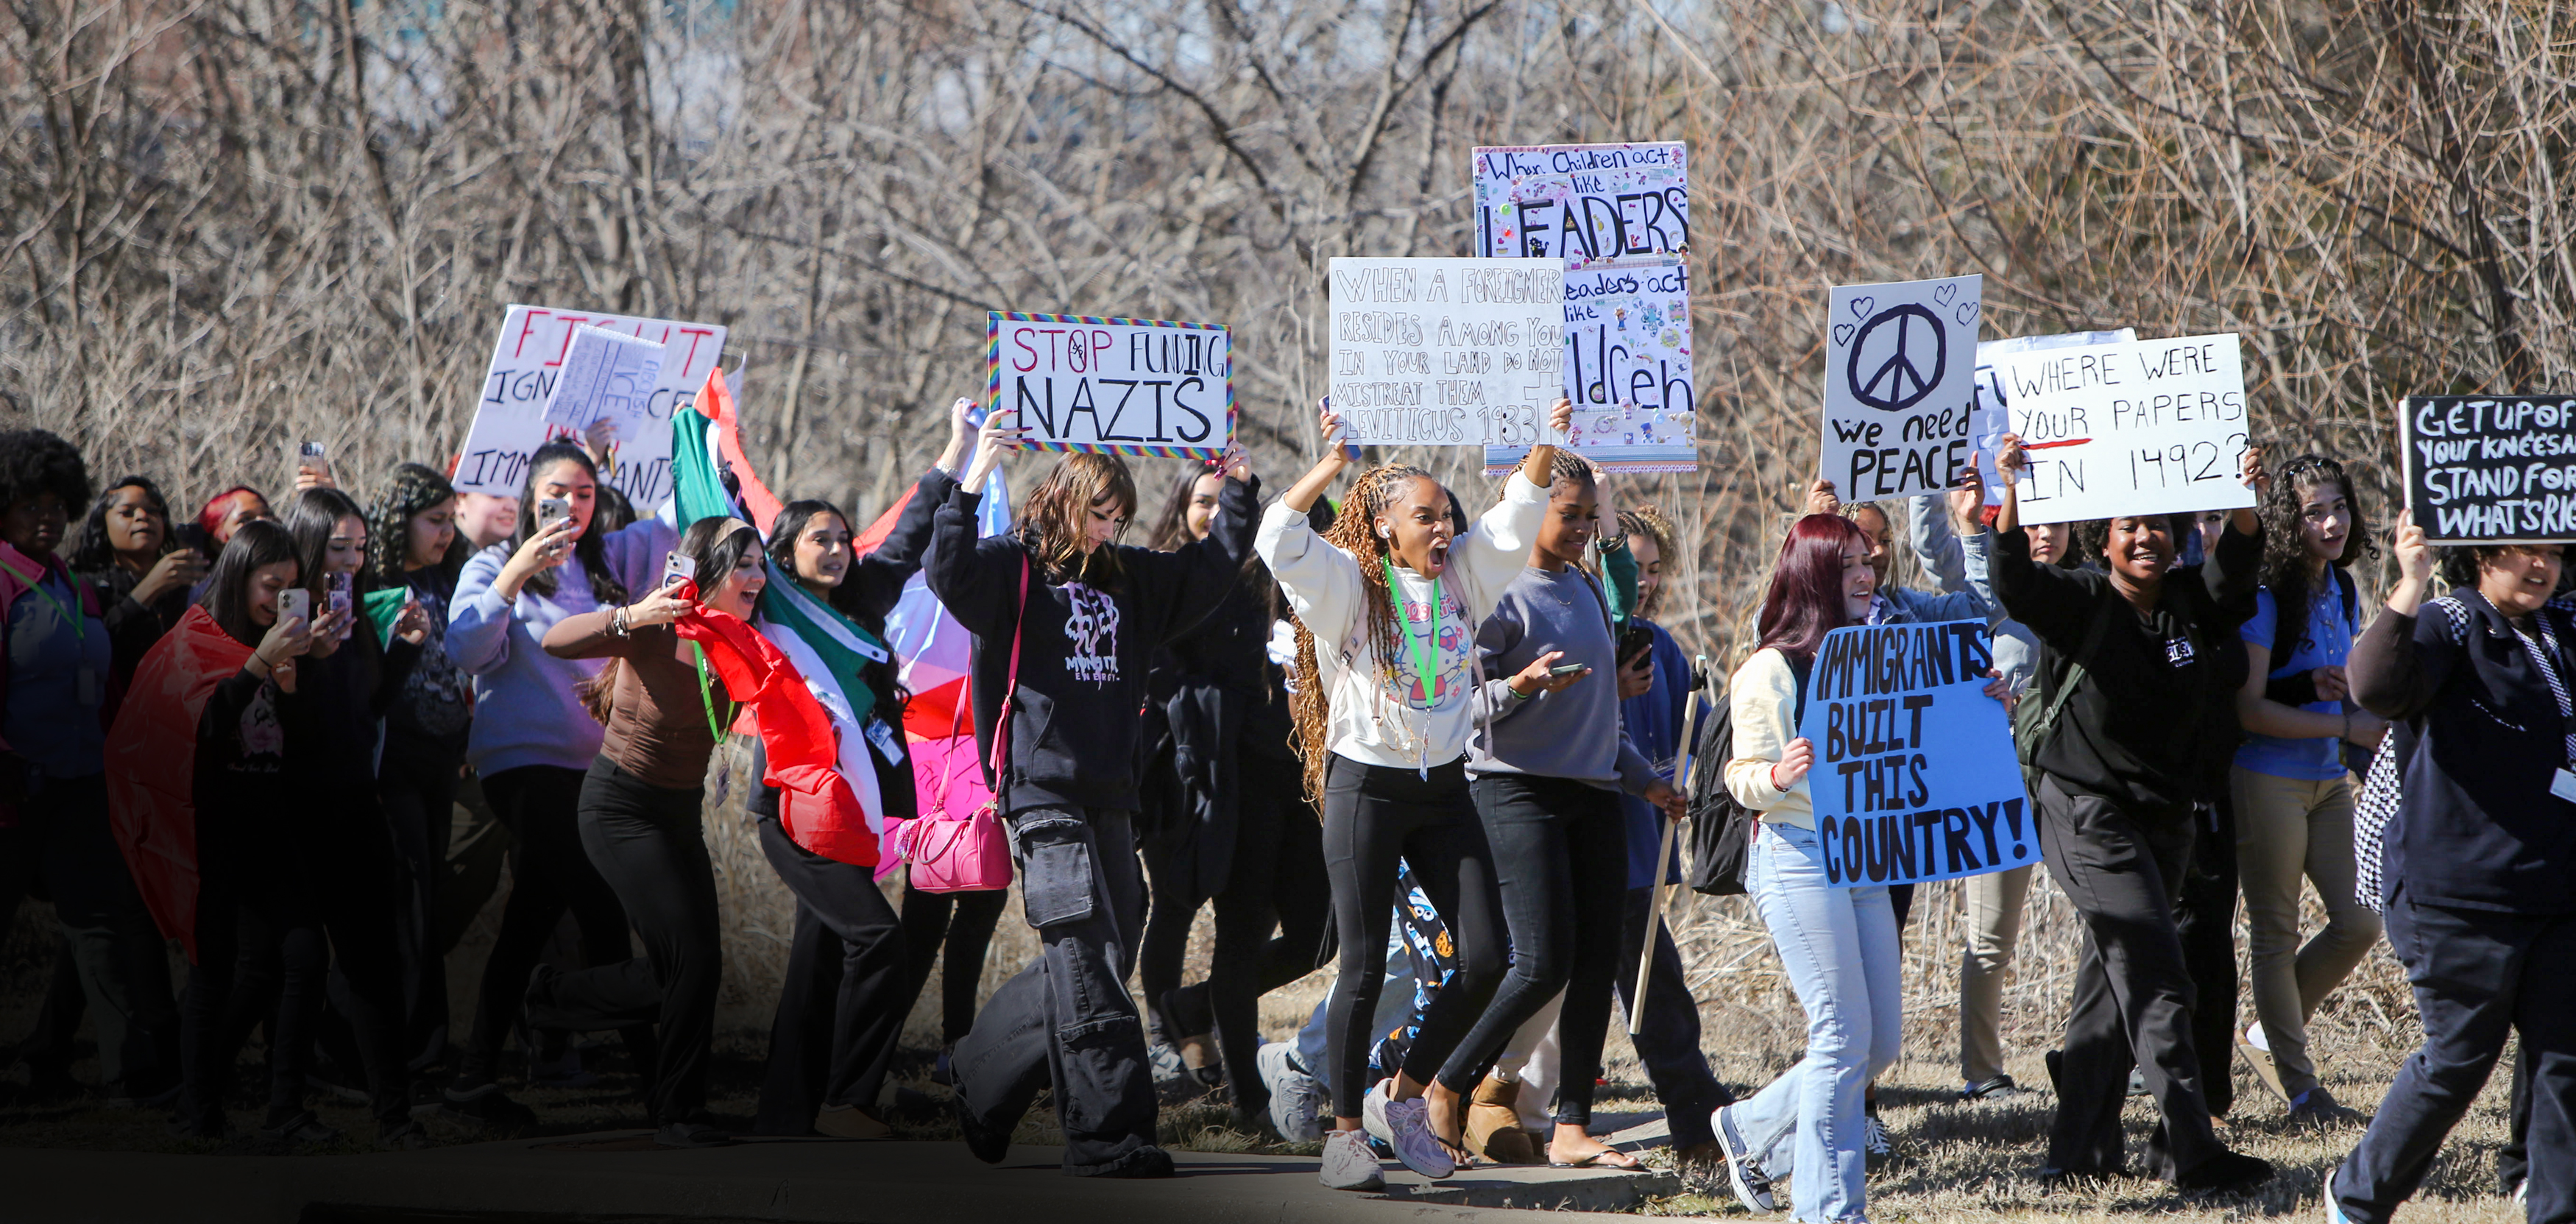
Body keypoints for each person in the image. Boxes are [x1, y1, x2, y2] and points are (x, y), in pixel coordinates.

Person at [930, 408, 1259, 1179]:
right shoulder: (1012, 567)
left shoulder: (1131, 574)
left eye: (1120, 518)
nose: (1107, 530)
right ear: (1061, 500)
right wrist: (973, 470)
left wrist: (1238, 490)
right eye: (1097, 514)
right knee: (1087, 957)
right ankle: (1109, 1135)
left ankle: (979, 1072)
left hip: (1112, 793)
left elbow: (1209, 571)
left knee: (1093, 957)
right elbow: (945, 572)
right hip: (1040, 792)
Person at [1261, 398, 1570, 1190]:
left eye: (1446, 516)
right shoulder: (1347, 589)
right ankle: (1341, 1133)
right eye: (1424, 517)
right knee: (1362, 967)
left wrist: (1545, 441)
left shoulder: (1465, 575)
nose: (1442, 528)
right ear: (1386, 527)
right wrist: (1332, 463)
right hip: (1366, 787)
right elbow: (1278, 539)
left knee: (1487, 955)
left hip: (1442, 790)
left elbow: (1513, 517)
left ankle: (1403, 1094)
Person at [1990, 432, 2274, 1192]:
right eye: (2127, 527)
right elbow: (2013, 579)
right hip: (2084, 814)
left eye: (2157, 525)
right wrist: (2012, 485)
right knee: (2153, 971)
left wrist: (2244, 496)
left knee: (2107, 984)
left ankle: (2075, 1153)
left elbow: (2237, 566)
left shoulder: (2189, 605)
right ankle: (2192, 1150)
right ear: (2103, 540)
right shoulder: (2078, 597)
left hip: (2164, 818)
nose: (2144, 537)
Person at [1443, 453, 1683, 1171]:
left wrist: (1644, 783)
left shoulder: (1583, 586)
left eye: (1587, 514)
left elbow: (1602, 714)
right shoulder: (1492, 591)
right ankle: (1441, 1084)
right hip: (1515, 790)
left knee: (1589, 962)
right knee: (1541, 961)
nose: (1581, 527)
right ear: (1529, 510)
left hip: (1595, 793)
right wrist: (1518, 686)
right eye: (1567, 513)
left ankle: (1571, 1125)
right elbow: (1456, 708)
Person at [2329, 531, 2576, 1223]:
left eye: (2554, 553)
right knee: (2460, 1058)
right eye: (2525, 550)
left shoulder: (2562, 626)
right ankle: (2358, 1196)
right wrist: (2410, 580)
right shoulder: (2451, 622)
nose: (2541, 566)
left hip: (2556, 888)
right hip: (2459, 894)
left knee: (2565, 1059)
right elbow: (2375, 686)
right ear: (2480, 554)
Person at [749, 400, 969, 1139]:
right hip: (794, 810)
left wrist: (957, 450)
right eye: (821, 539)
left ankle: (785, 1113)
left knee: (816, 962)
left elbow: (905, 540)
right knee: (879, 940)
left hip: (856, 813)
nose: (838, 549)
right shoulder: (769, 613)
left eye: (844, 538)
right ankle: (848, 1100)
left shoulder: (861, 608)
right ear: (784, 555)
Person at [511, 516, 762, 1147]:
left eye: (761, 565)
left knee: (695, 968)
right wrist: (630, 616)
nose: (757, 577)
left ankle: (550, 995)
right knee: (692, 960)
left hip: (680, 815)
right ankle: (680, 1114)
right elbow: (555, 641)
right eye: (744, 564)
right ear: (708, 571)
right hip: (619, 807)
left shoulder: (744, 637)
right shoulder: (656, 623)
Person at [441, 440, 672, 1129]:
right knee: (604, 911)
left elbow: (674, 518)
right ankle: (658, 1083)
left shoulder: (608, 567)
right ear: (528, 498)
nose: (570, 507)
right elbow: (465, 649)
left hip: (597, 772)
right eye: (555, 494)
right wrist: (511, 575)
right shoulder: (490, 566)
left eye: (584, 494)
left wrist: (708, 436)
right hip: (521, 770)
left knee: (531, 917)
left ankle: (477, 1070)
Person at [1708, 512, 1900, 1221]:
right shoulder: (1769, 669)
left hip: (1864, 856)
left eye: (1868, 561)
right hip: (1798, 854)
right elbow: (1739, 776)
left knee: (1879, 1042)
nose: (1865, 572)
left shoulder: (1875, 654)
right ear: (1815, 573)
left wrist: (1977, 704)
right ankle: (1827, 1210)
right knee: (1841, 1036)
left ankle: (1750, 1127)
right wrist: (1779, 774)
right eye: (1849, 561)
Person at [1133, 459, 1333, 1132]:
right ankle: (1246, 1094)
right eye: (1206, 503)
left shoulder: (1300, 587)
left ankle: (1191, 1010)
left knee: (1316, 935)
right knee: (1232, 930)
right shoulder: (1196, 586)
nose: (1218, 517)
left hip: (1302, 783)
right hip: (1227, 788)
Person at [1, 431, 179, 1106]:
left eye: (55, 504)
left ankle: (130, 1075)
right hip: (13, 788)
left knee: (98, 920)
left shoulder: (72, 585)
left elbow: (99, 682)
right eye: (28, 504)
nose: (45, 517)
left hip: (80, 781)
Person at [2229, 455, 2384, 1125]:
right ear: (2290, 522)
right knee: (2276, 930)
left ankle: (2265, 1034)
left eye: (2339, 507)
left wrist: (2356, 724)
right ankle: (2299, 1088)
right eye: (2315, 511)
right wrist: (2346, 718)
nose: (2331, 521)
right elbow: (2248, 709)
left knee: (2360, 920)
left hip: (2329, 778)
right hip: (2267, 779)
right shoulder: (2265, 595)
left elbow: (2339, 684)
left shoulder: (2344, 589)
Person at [269, 487, 425, 1143]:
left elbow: (365, 714)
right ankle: (280, 1109)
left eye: (360, 548)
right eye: (338, 547)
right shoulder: (280, 619)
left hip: (357, 802)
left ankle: (393, 1114)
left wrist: (405, 652)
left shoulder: (353, 612)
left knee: (375, 962)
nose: (352, 562)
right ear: (306, 546)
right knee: (297, 963)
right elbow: (276, 722)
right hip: (295, 811)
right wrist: (305, 658)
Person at [1604, 505, 1735, 1164]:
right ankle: (1412, 1081)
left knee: (1656, 983)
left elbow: (1703, 732)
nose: (1645, 581)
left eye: (1656, 569)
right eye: (1632, 566)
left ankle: (1695, 1114)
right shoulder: (1588, 639)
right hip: (1589, 843)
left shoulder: (1665, 648)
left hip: (1641, 852)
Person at [366, 464, 474, 1075]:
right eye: (434, 521)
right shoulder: (371, 583)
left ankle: (426, 1042)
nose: (445, 533)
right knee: (406, 899)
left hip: (444, 759)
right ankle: (405, 1044)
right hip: (392, 760)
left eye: (450, 521)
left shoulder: (448, 577)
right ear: (398, 520)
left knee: (429, 898)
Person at [71, 476, 202, 688]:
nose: (143, 517)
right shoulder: (85, 585)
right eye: (127, 512)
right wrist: (149, 589)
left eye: (153, 511)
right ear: (103, 523)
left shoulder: (183, 584)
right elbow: (90, 648)